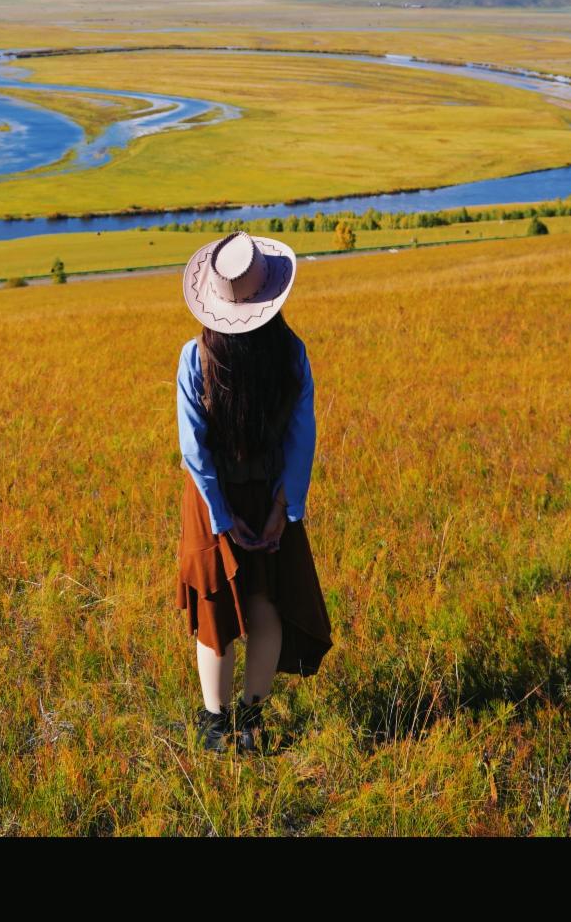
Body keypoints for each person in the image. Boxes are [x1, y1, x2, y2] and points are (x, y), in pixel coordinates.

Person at [174, 231, 332, 753]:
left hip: (210, 502)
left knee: (215, 610)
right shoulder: (292, 354)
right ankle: (250, 723)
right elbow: (302, 438)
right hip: (270, 495)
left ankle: (215, 727)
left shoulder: (195, 357)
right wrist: (284, 508)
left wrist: (221, 518)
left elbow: (195, 452)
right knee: (267, 603)